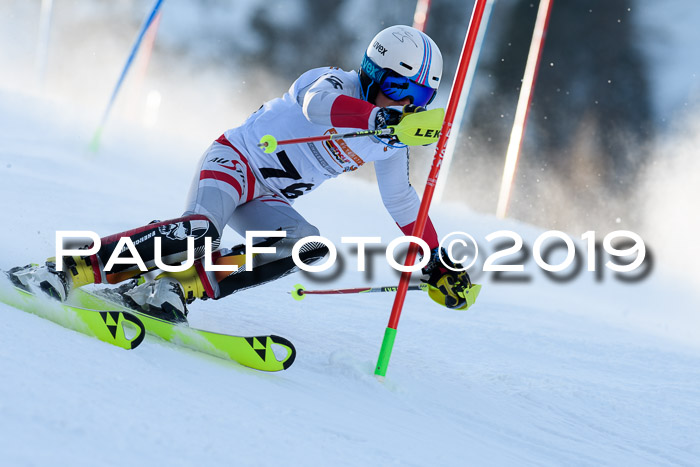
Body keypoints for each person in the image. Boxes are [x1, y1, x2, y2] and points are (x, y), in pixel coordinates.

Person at [9, 25, 475, 323]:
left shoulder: (388, 140)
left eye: (415, 98)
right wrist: (376, 119)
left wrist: (435, 258)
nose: (403, 105)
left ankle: (173, 287)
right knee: (198, 231)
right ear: (373, 74)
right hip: (234, 163)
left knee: (307, 246)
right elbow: (317, 106)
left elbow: (400, 201)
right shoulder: (335, 82)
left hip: (267, 197)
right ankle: (68, 268)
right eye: (396, 88)